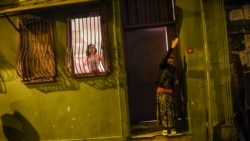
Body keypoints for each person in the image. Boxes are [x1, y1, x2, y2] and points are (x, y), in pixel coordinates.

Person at [155, 37, 179, 135]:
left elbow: (171, 79)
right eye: (169, 58)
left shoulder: (173, 69)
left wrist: (174, 81)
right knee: (163, 110)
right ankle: (165, 128)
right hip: (162, 91)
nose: (170, 60)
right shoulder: (162, 66)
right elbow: (163, 59)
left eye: (172, 58)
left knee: (171, 110)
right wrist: (172, 48)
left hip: (169, 91)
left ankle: (172, 127)